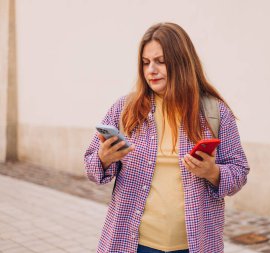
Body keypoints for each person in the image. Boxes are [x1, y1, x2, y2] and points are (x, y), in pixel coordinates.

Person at [84, 22, 250, 253]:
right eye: (145, 63)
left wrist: (212, 173)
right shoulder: (125, 109)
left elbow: (240, 170)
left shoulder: (215, 112)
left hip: (195, 245)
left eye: (160, 61)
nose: (151, 70)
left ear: (182, 61)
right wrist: (103, 159)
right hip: (133, 243)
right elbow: (91, 167)